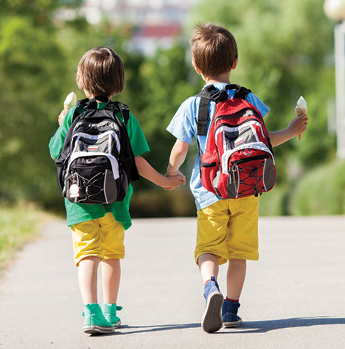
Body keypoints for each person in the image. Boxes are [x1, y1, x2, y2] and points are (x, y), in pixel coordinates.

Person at [166, 24, 308, 333]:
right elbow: (264, 140)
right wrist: (292, 130)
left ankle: (209, 287)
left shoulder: (193, 106)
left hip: (209, 192)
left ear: (195, 66)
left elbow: (179, 149)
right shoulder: (249, 99)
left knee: (208, 249)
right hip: (246, 189)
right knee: (239, 252)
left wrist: (172, 171)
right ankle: (230, 309)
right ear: (235, 62)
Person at [49, 46, 185, 335]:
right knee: (111, 255)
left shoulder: (73, 114)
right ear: (119, 82)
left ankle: (90, 312)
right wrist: (165, 180)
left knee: (87, 256)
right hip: (115, 202)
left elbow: (54, 152)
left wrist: (62, 123)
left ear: (81, 81)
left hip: (79, 202)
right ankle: (110, 312)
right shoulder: (124, 117)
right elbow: (137, 161)